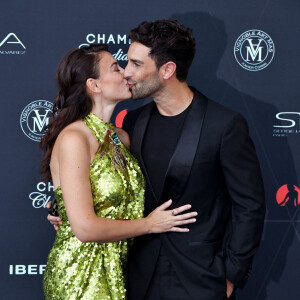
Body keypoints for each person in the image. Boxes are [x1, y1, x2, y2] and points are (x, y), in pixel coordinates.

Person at [49, 20, 266, 300]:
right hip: (135, 278)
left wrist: (231, 275)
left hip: (200, 279)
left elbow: (250, 206)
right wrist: (62, 205)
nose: (127, 72)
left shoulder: (223, 125)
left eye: (136, 64)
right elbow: (106, 180)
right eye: (124, 63)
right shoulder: (133, 126)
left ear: (167, 70)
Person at [41, 44, 197, 300]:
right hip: (80, 277)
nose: (126, 73)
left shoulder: (121, 137)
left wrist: (58, 207)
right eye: (116, 68)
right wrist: (149, 225)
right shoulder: (74, 137)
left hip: (121, 272)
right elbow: (84, 228)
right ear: (95, 85)